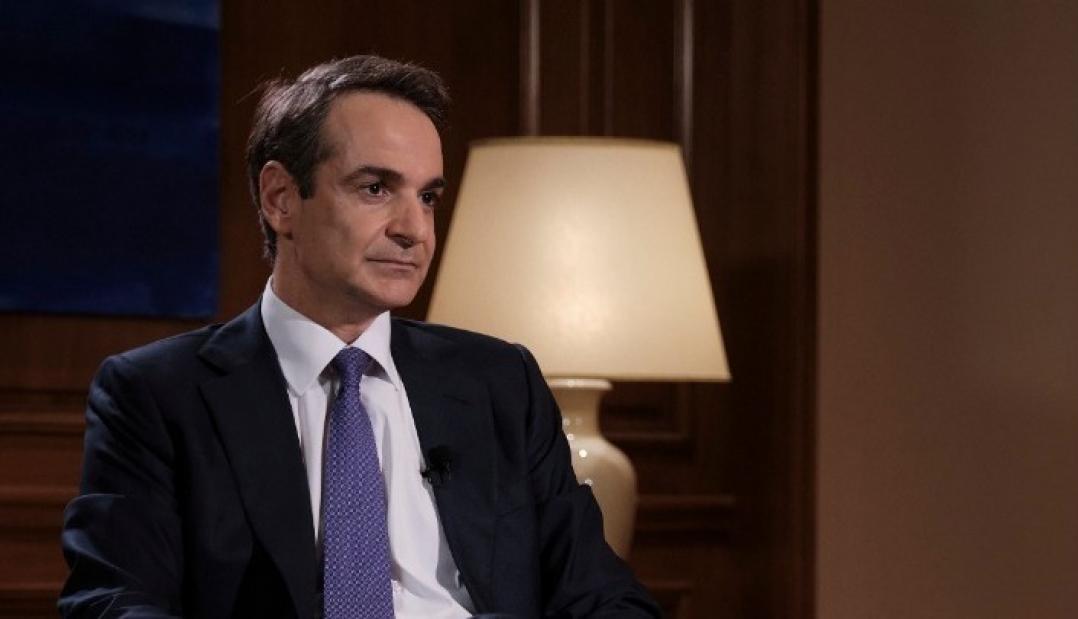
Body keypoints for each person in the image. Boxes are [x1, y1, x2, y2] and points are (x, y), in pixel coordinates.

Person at [58, 55, 660, 618]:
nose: (414, 229)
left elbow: (605, 596)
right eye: (376, 189)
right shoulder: (159, 394)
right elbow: (111, 602)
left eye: (428, 197)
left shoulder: (501, 383)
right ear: (280, 198)